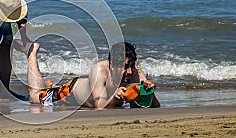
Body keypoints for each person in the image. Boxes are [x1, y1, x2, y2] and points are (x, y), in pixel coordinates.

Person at [27, 41, 160, 109]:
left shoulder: (136, 72)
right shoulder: (100, 71)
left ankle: (51, 85)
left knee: (49, 90)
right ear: (112, 65)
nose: (129, 71)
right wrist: (115, 96)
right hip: (70, 92)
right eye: (124, 67)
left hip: (83, 98)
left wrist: (150, 92)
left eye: (131, 65)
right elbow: (99, 106)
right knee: (34, 97)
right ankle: (31, 51)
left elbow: (154, 106)